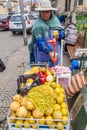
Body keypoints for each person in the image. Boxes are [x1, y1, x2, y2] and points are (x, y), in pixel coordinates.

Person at [28, 0, 64, 67]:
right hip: (42, 54)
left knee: (55, 72)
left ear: (51, 12)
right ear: (40, 12)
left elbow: (62, 33)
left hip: (56, 52)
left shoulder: (55, 21)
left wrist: (60, 34)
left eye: (47, 11)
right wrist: (49, 52)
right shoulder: (37, 25)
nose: (45, 14)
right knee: (44, 72)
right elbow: (39, 41)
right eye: (43, 12)